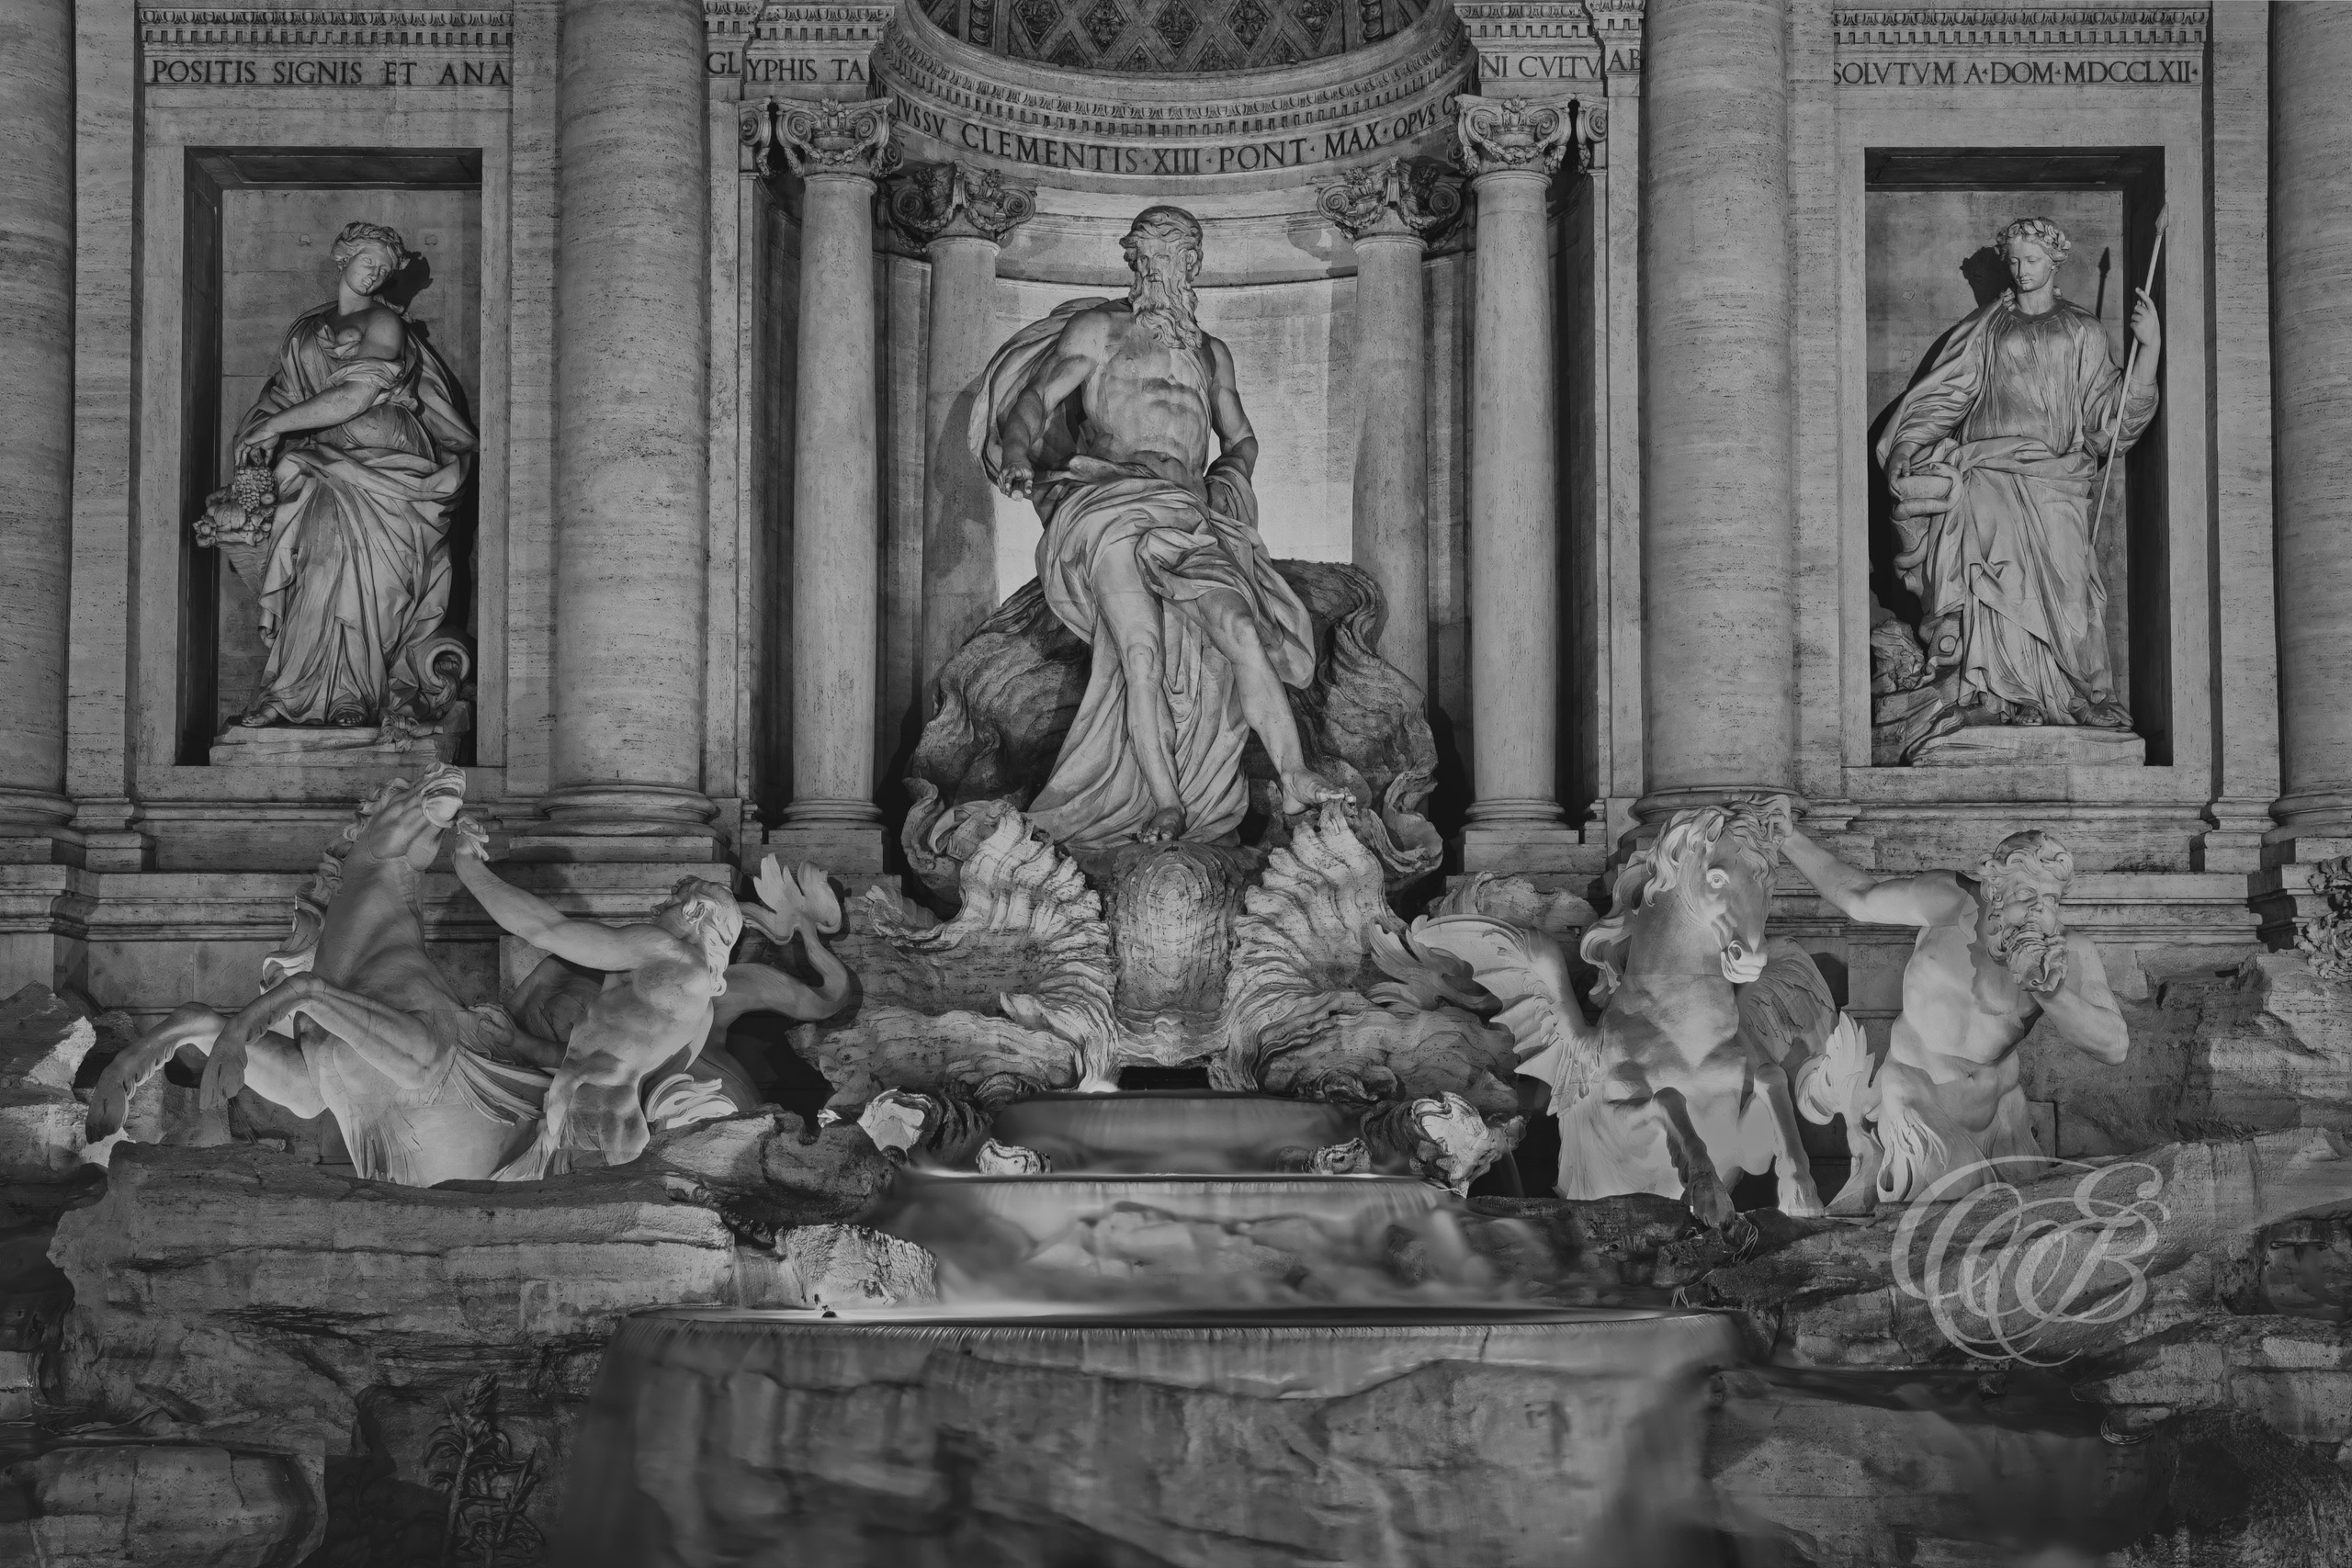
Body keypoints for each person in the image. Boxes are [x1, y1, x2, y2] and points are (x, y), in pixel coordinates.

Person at [976, 205, 1343, 852]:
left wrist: (1228, 482)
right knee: (1140, 655)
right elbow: (1036, 399)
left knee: (1240, 629)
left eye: (1176, 258)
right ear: (1134, 261)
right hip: (1111, 503)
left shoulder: (1212, 354)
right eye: (1150, 258)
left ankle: (1293, 776)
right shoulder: (1100, 330)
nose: (1162, 271)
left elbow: (1241, 438)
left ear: (1193, 265)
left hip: (1190, 513)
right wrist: (1014, 450)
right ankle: (1167, 802)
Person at [1878, 216, 2159, 730]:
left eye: (2032, 260)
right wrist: (1908, 443)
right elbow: (1951, 392)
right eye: (2014, 261)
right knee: (1995, 580)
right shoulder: (1990, 326)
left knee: (2070, 590)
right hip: (1987, 470)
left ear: (2054, 263)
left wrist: (2150, 351)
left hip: (2056, 478)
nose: (2021, 270)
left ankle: (2071, 694)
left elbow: (2110, 420)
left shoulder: (2082, 330)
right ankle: (2001, 694)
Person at [1779, 824, 2130, 1207]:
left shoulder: (2069, 952)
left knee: (2015, 1223)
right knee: (1947, 1216)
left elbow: (2114, 1046)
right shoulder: (1950, 900)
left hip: (2001, 1116)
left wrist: (2051, 992)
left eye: (2051, 899)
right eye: (2026, 895)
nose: (2039, 911)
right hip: (1919, 1097)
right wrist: (1787, 837)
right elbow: (1858, 898)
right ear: (1994, 891)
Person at [224, 220, 475, 728]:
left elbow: (356, 395)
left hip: (392, 470)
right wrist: (257, 434)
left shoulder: (384, 323)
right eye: (368, 261)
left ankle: (358, 697)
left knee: (377, 586)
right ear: (344, 258)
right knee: (319, 566)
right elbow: (283, 396)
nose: (375, 273)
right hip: (325, 466)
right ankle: (293, 693)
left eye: (384, 269)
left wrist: (274, 426)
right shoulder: (305, 331)